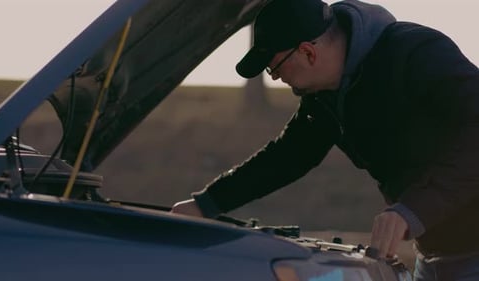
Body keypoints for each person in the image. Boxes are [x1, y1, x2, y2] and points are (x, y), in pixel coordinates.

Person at [172, 0, 479, 280]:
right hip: (438, 256)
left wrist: (413, 210)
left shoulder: (415, 52)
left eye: (275, 66)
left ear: (308, 51)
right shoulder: (325, 98)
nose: (276, 78)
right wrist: (206, 204)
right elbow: (288, 156)